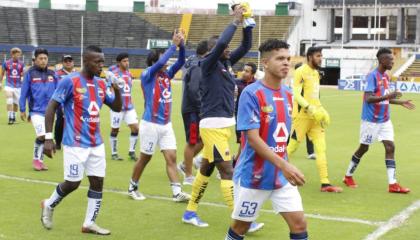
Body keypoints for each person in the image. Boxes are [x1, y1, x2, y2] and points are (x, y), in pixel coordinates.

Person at [182, 5, 258, 230]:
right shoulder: (206, 65)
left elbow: (245, 45)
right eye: (220, 48)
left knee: (206, 170)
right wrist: (234, 21)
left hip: (225, 125)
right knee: (228, 171)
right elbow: (224, 44)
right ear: (210, 52)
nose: (227, 50)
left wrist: (247, 24)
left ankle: (189, 213)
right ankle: (241, 220)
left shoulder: (225, 64)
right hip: (213, 126)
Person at [225, 38, 308, 240]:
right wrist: (285, 166)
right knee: (241, 227)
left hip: (280, 176)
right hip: (253, 176)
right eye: (280, 58)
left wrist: (284, 166)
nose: (286, 63)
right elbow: (252, 139)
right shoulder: (252, 93)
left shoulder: (288, 94)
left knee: (299, 224)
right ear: (266, 63)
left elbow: (280, 138)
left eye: (288, 58)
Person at [40, 45, 122, 235]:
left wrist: (117, 90)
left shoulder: (101, 84)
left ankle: (89, 224)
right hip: (75, 143)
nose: (101, 65)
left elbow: (117, 108)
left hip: (97, 143)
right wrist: (48, 138)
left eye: (102, 61)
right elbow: (51, 108)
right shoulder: (70, 81)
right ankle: (49, 204)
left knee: (97, 183)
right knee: (73, 183)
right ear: (86, 61)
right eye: (97, 62)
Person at [128, 30, 191, 202]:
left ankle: (177, 193)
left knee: (171, 157)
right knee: (145, 158)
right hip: (150, 124)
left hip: (166, 125)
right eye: (163, 59)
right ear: (155, 62)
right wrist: (173, 45)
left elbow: (180, 62)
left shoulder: (166, 75)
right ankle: (132, 187)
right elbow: (164, 61)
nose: (166, 62)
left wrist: (182, 46)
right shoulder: (147, 74)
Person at [343, 48, 415, 193]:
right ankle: (348, 176)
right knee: (364, 148)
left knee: (390, 147)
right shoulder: (372, 76)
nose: (392, 62)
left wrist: (400, 102)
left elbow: (384, 99)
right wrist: (388, 97)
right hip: (371, 120)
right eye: (390, 59)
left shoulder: (386, 77)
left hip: (385, 120)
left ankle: (393, 184)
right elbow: (369, 99)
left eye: (393, 60)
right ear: (382, 60)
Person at [287, 47, 342, 193]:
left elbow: (315, 96)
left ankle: (325, 183)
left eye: (321, 56)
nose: (321, 58)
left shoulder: (316, 73)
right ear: (310, 56)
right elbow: (296, 95)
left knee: (321, 149)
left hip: (316, 118)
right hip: (302, 117)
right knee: (291, 147)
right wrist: (309, 108)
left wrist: (322, 110)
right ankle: (272, 175)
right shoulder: (300, 71)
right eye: (318, 56)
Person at [19, 48, 58, 171]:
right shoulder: (29, 73)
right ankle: (36, 159)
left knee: (46, 136)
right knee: (42, 136)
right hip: (36, 111)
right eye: (40, 58)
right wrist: (22, 109)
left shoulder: (52, 74)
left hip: (51, 112)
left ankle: (40, 161)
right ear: (35, 60)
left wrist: (61, 110)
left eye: (45, 58)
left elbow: (59, 93)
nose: (43, 61)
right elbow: (24, 92)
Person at [177, 40, 208, 185]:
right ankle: (188, 176)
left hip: (194, 108)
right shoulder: (197, 65)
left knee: (203, 140)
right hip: (193, 109)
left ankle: (185, 164)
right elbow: (194, 89)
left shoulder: (194, 61)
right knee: (192, 141)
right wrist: (201, 108)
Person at [108, 52, 139, 161]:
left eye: (127, 61)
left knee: (136, 128)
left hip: (129, 107)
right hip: (117, 108)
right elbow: (110, 89)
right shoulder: (114, 74)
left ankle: (131, 152)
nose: (127, 63)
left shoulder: (129, 74)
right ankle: (114, 153)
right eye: (124, 61)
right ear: (119, 63)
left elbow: (129, 90)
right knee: (115, 130)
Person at [233, 62, 256, 166]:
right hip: (240, 118)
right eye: (243, 70)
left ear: (253, 74)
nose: (243, 72)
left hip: (253, 119)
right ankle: (233, 165)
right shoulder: (236, 83)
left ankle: (234, 164)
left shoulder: (257, 85)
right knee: (243, 143)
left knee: (245, 143)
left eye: (247, 71)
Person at [293, 62, 316, 160]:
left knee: (309, 130)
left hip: (309, 109)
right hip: (299, 109)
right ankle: (285, 148)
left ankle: (311, 152)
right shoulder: (297, 82)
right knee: (296, 131)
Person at [54, 54, 76, 150]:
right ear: (62, 62)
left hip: (75, 102)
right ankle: (58, 142)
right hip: (60, 102)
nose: (68, 62)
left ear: (73, 62)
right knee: (60, 122)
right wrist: (61, 105)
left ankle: (74, 141)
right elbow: (55, 88)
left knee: (76, 122)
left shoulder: (77, 74)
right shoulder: (57, 74)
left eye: (70, 60)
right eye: (66, 61)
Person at [1, 47, 24, 124]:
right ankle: (10, 117)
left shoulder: (21, 63)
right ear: (12, 54)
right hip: (9, 85)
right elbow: (2, 73)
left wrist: (23, 80)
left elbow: (22, 74)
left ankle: (13, 117)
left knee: (16, 104)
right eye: (17, 55)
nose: (18, 56)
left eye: (19, 55)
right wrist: (0, 83)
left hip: (18, 86)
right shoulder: (6, 63)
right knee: (9, 99)